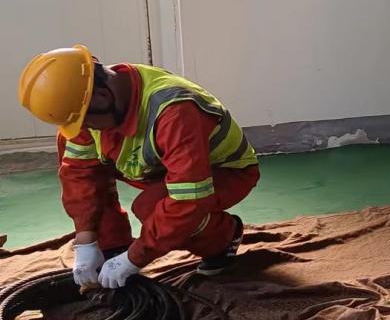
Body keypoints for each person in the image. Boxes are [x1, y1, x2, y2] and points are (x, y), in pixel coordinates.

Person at [16, 46, 260, 286]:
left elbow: (189, 200)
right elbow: (80, 175)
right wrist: (86, 240)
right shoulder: (91, 101)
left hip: (222, 171)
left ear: (102, 98)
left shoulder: (175, 111)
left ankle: (222, 239)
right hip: (161, 167)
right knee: (72, 147)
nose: (85, 129)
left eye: (86, 122)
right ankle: (113, 246)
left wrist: (135, 258)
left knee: (151, 207)